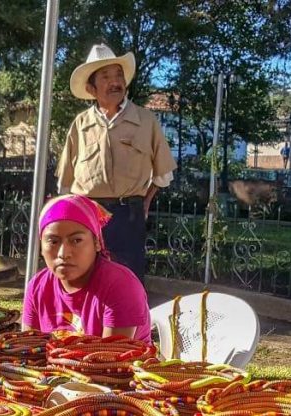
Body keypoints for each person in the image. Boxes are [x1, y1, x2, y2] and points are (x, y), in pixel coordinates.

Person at [56, 44, 176, 283]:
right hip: (87, 215)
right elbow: (65, 185)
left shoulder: (145, 120)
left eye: (118, 75)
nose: (115, 82)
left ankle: (129, 322)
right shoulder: (80, 124)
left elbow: (164, 175)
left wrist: (144, 202)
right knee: (85, 280)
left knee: (127, 282)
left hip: (127, 215)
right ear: (92, 87)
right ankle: (87, 322)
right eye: (106, 77)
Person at [22, 195, 151, 343]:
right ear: (41, 247)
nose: (63, 254)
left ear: (97, 242)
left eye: (76, 240)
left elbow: (110, 360)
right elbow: (28, 351)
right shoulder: (37, 287)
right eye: (53, 241)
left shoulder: (121, 286)